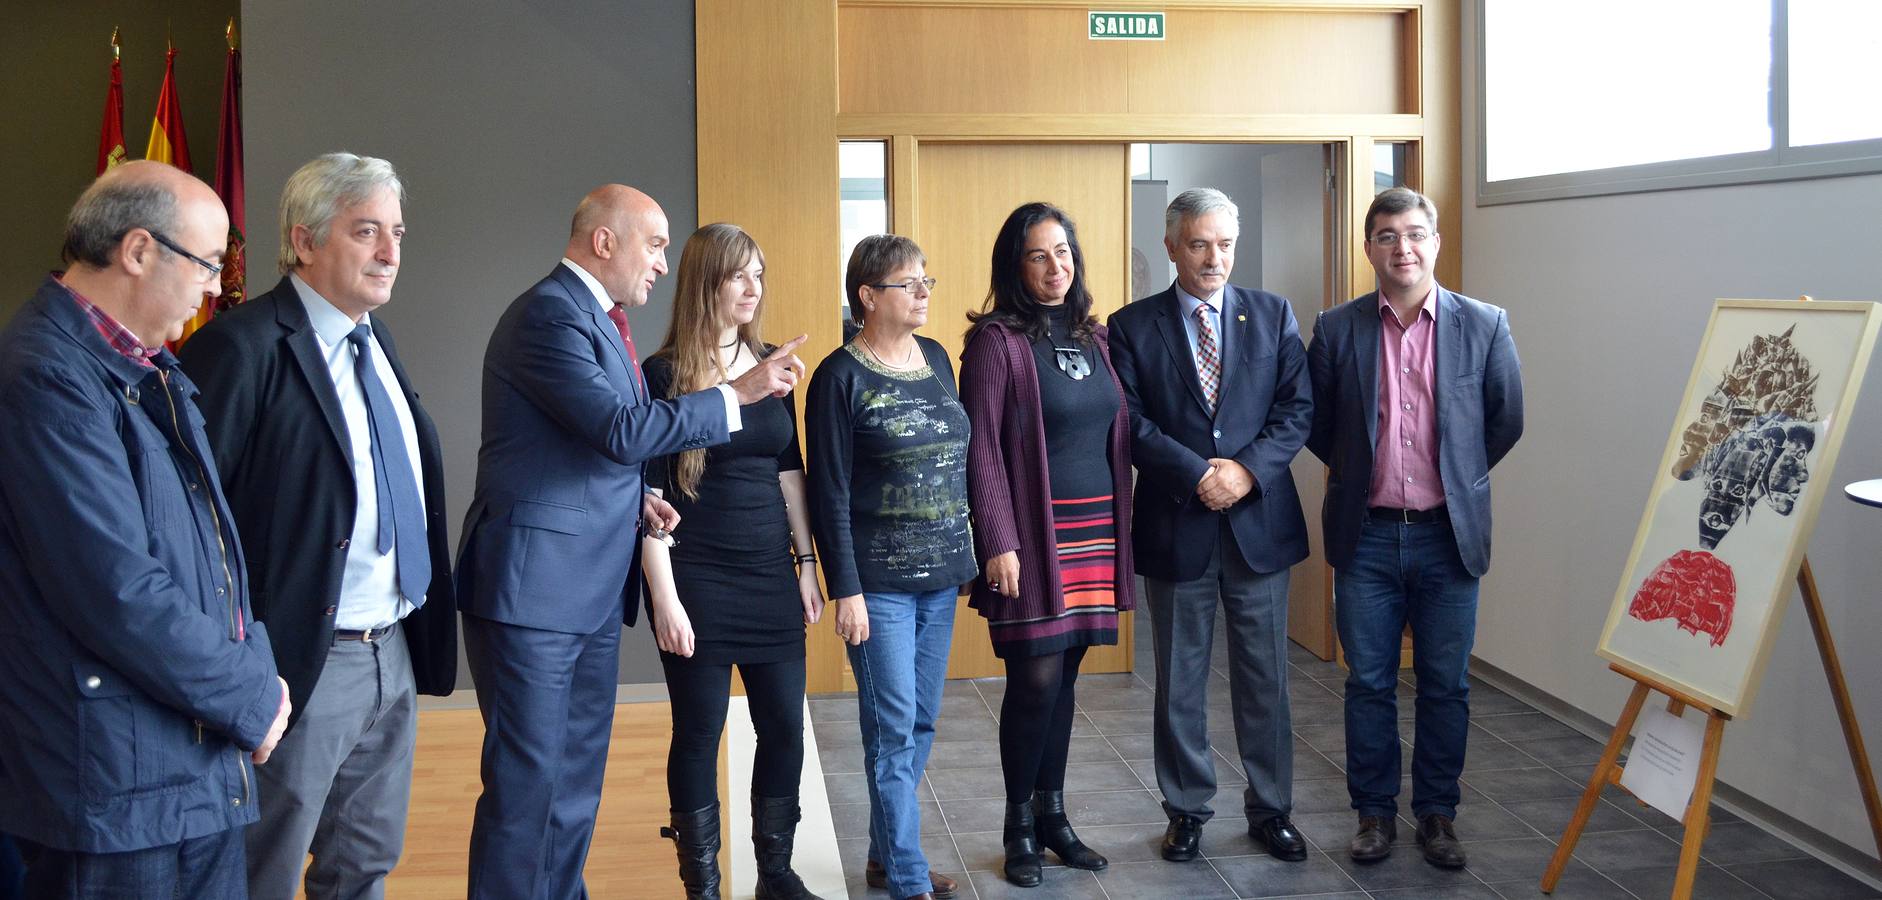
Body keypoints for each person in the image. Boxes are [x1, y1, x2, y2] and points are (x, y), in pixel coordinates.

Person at [456, 185, 804, 900]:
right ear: (605, 242)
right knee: (528, 792)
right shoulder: (551, 316)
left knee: (574, 784)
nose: (662, 262)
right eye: (653, 244)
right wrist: (736, 395)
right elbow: (622, 431)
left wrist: (638, 499)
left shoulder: (600, 320)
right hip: (536, 594)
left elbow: (595, 448)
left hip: (584, 590)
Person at [0, 160, 290, 898]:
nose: (216, 288)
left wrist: (252, 666)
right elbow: (115, 589)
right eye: (207, 263)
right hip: (115, 787)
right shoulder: (45, 378)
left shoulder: (149, 370)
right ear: (136, 251)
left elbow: (212, 556)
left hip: (180, 766)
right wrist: (250, 695)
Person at [178, 152, 458, 900]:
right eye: (367, 231)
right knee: (260, 869)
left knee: (364, 864)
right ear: (303, 241)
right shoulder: (238, 349)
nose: (391, 252)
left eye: (397, 232)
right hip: (298, 663)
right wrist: (238, 668)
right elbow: (192, 528)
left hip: (388, 652)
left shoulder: (376, 340)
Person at [1306, 186, 1524, 869]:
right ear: (1368, 248)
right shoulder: (1337, 328)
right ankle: (1374, 814)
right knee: (1368, 682)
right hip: (1365, 535)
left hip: (1447, 537)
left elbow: (1505, 418)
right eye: (1387, 236)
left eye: (1415, 233)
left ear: (1435, 241)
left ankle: (1437, 814)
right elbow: (1315, 424)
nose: (1403, 247)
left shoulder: (1483, 324)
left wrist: (1455, 477)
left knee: (1445, 683)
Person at [1106, 187, 1313, 863]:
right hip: (1178, 523)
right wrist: (1198, 473)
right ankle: (1187, 807)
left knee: (1266, 680)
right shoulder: (1133, 326)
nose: (1213, 257)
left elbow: (1295, 411)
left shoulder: (1272, 314)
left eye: (1224, 244)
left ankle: (1271, 807)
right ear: (1171, 247)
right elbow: (1130, 422)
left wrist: (1245, 472)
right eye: (1198, 244)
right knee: (1180, 680)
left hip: (1258, 527)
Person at [640, 223, 826, 900]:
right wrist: (664, 598)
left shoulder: (775, 363)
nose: (753, 289)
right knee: (698, 732)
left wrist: (806, 564)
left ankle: (774, 875)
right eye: (737, 275)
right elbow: (647, 496)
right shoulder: (662, 374)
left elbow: (790, 472)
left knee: (782, 726)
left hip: (768, 574)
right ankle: (704, 886)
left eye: (759, 275)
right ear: (705, 282)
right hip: (696, 579)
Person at [959, 202, 1135, 887]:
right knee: (1033, 679)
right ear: (1015, 264)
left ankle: (1054, 816)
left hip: (1095, 532)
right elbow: (981, 451)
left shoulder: (1097, 336)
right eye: (1038, 255)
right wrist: (998, 539)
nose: (1055, 266)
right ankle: (1017, 826)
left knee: (1066, 679)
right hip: (1033, 536)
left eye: (1063, 252)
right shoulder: (997, 343)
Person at [807, 235, 975, 900]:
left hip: (941, 576)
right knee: (892, 725)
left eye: (925, 279)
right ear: (869, 296)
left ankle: (884, 855)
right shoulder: (838, 378)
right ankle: (908, 878)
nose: (925, 291)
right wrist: (843, 588)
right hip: (877, 586)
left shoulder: (935, 358)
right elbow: (830, 492)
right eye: (910, 283)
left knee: (921, 721)